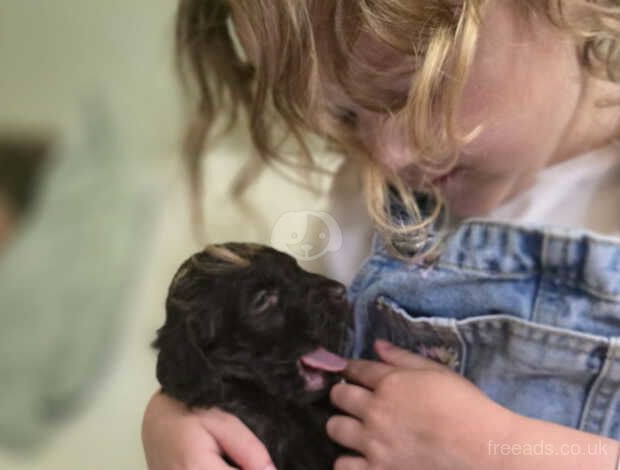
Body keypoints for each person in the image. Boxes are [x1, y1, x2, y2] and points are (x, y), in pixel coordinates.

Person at [142, 1, 620, 468]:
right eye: (346, 116)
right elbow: (293, 360)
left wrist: (505, 451)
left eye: (418, 91)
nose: (388, 156)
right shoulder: (370, 204)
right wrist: (184, 416)